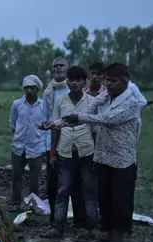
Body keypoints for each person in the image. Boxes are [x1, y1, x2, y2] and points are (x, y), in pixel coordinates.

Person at [63, 63, 141, 242]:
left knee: (120, 200)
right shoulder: (105, 96)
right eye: (109, 80)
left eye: (114, 81)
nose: (110, 84)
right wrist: (56, 123)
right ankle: (108, 233)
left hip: (122, 160)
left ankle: (119, 240)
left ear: (125, 82)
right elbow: (88, 112)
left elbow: (108, 119)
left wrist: (78, 118)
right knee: (104, 198)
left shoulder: (131, 102)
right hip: (102, 156)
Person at [41, 66, 100, 238]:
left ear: (84, 82)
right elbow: (55, 127)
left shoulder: (91, 102)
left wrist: (97, 156)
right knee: (63, 190)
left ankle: (92, 227)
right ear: (67, 81)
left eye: (78, 79)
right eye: (71, 79)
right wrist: (52, 153)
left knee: (89, 191)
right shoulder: (61, 101)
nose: (74, 83)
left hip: (87, 153)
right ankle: (57, 227)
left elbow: (96, 130)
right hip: (65, 152)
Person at [42, 57, 87, 230]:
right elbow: (46, 119)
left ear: (68, 70)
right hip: (53, 144)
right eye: (55, 66)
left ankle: (79, 223)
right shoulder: (48, 92)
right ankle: (55, 221)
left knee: (77, 185)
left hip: (75, 145)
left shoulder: (77, 90)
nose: (59, 68)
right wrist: (48, 149)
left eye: (62, 66)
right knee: (54, 186)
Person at [8, 75, 46, 210]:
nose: (29, 91)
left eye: (32, 88)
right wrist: (19, 136)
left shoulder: (43, 106)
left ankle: (34, 204)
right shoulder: (17, 104)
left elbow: (46, 127)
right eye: (26, 88)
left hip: (36, 147)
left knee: (35, 178)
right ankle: (15, 203)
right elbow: (13, 123)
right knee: (16, 175)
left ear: (37, 89)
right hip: (18, 146)